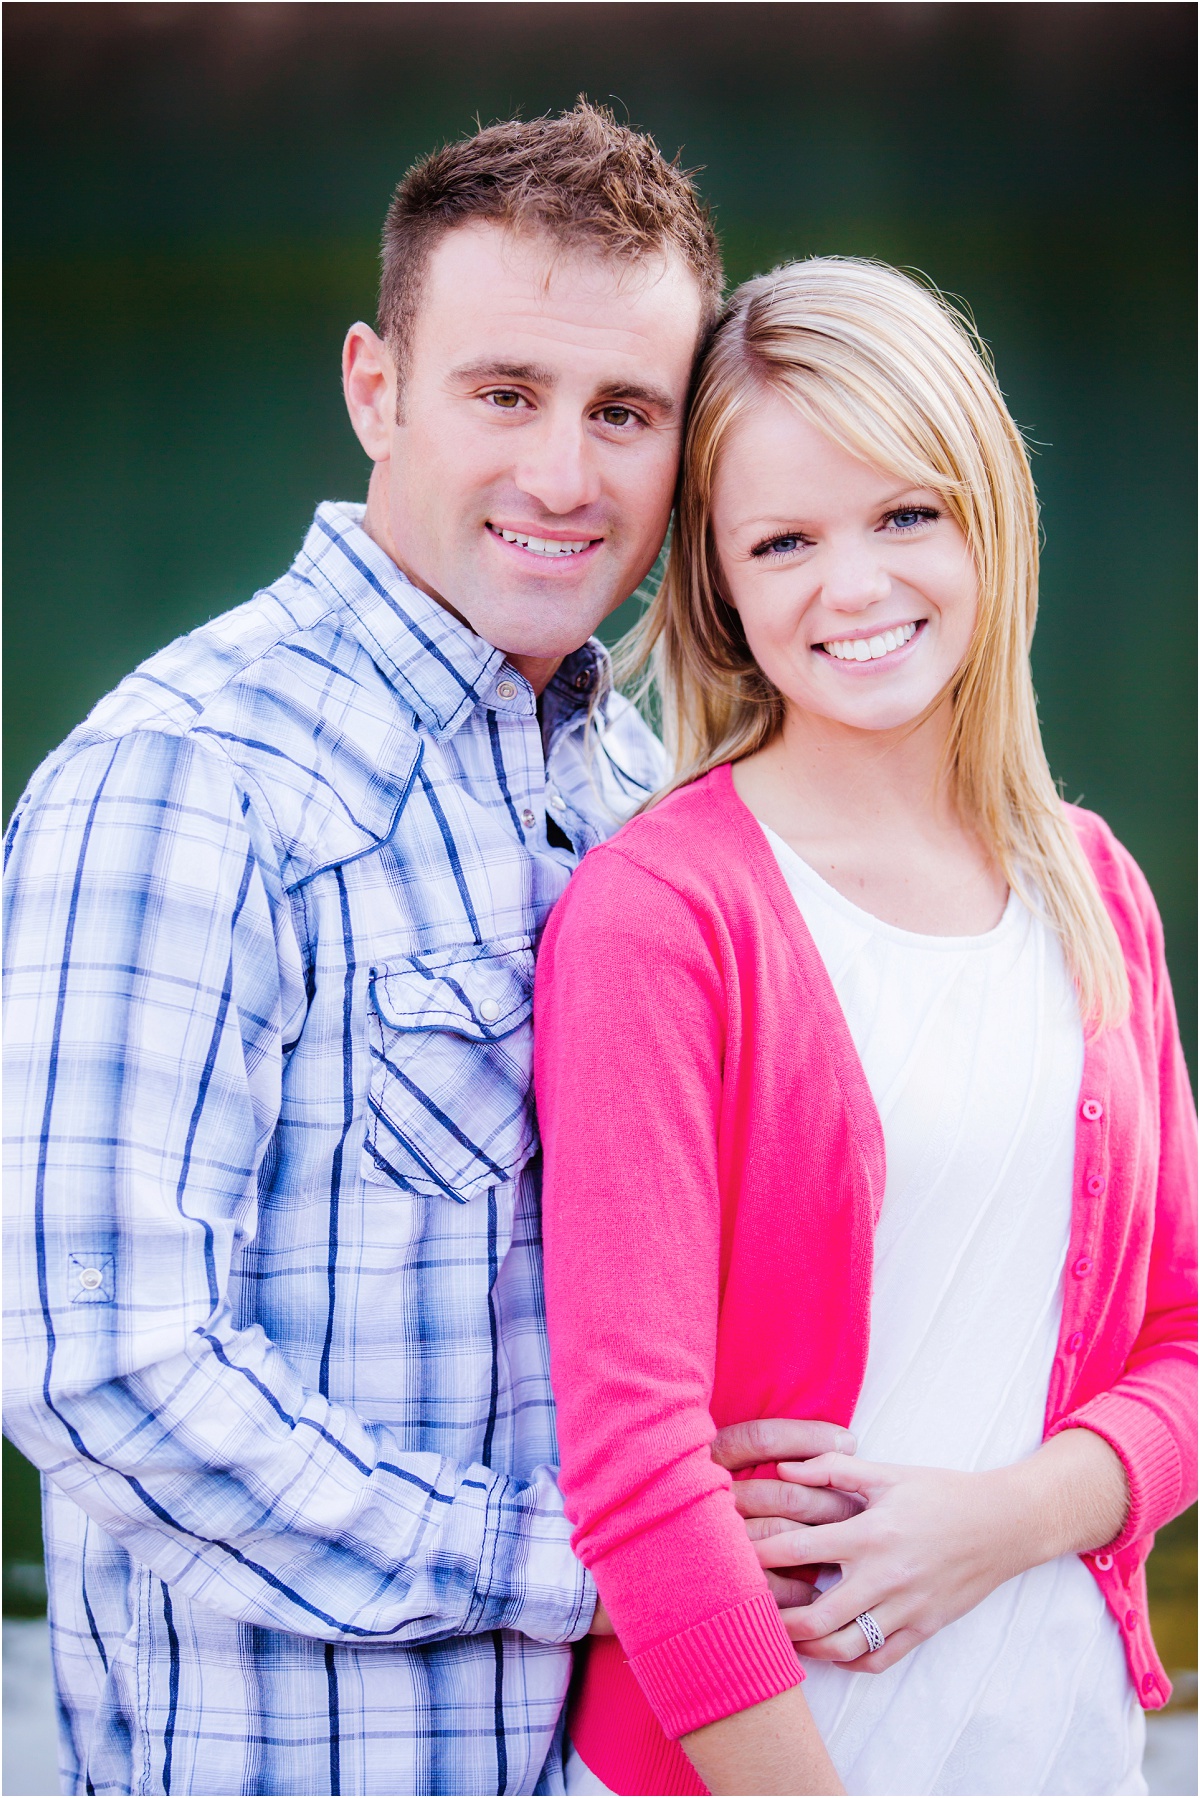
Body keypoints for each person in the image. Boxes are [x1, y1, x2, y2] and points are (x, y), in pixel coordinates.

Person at [3, 107, 855, 1798]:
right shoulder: (187, 776)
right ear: (375, 389)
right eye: (503, 393)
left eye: (625, 412)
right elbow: (100, 1365)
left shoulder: (638, 790)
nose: (565, 474)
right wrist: (595, 1564)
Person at [535, 257, 1198, 1797]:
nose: (854, 585)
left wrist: (1009, 1517)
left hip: (1066, 1749)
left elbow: (1180, 1340)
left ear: (987, 513)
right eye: (784, 540)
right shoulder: (659, 918)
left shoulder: (1092, 886)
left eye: (906, 513)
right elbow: (636, 1474)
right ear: (720, 584)